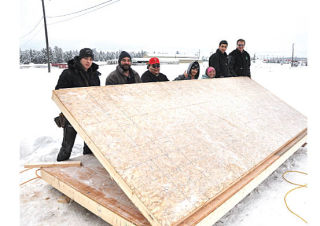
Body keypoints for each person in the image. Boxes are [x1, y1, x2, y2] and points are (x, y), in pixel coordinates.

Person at [55, 48, 101, 161]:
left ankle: (88, 166)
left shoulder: (94, 74)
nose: (88, 61)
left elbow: (98, 94)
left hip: (90, 114)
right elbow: (59, 93)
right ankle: (60, 164)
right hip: (72, 114)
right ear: (80, 59)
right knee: (67, 145)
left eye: (90, 59)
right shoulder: (68, 73)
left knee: (90, 145)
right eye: (85, 58)